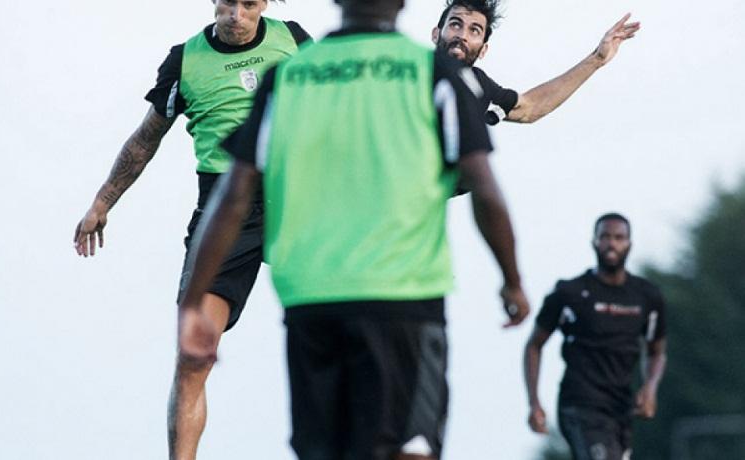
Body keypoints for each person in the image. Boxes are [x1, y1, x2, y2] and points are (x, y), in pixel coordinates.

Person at [177, 0, 531, 458]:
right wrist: (512, 280)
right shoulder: (434, 74)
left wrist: (194, 303)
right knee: (410, 449)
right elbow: (484, 188)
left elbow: (232, 197)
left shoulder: (290, 77)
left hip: (313, 299)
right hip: (402, 297)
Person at [72, 1, 310, 458]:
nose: (236, 14)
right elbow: (147, 138)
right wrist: (102, 202)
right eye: (228, 2)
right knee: (192, 355)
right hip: (226, 209)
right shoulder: (186, 60)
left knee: (344, 331)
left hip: (297, 199)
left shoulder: (294, 40)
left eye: (249, 4)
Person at [523, 213, 668, 460]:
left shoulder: (647, 296)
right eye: (605, 237)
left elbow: (656, 351)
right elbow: (534, 345)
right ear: (594, 242)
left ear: (629, 244)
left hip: (621, 407)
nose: (612, 244)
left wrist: (650, 388)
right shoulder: (570, 293)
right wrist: (534, 402)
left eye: (619, 238)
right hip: (580, 404)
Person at [432, 0, 640, 125]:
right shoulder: (413, 69)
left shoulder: (478, 86)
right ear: (436, 34)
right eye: (455, 24)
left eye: (474, 30)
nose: (462, 36)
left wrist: (597, 59)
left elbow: (529, 108)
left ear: (483, 50)